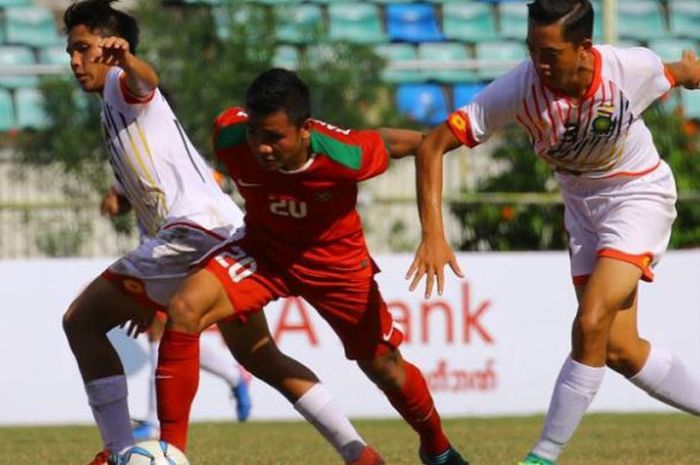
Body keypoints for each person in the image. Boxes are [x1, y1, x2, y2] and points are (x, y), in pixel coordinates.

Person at [64, 3, 381, 465]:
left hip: (193, 231)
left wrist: (127, 60)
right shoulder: (109, 104)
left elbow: (146, 82)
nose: (75, 61)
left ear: (110, 50)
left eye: (83, 49)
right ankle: (361, 454)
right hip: (216, 232)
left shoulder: (120, 83)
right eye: (70, 50)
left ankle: (118, 454)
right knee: (260, 356)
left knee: (82, 321)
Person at [406, 0, 700, 464]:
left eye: (550, 53)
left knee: (590, 321)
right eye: (531, 49)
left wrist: (689, 69)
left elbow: (675, 73)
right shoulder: (518, 89)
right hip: (582, 209)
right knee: (620, 350)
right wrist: (433, 234)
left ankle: (540, 458)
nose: (538, 63)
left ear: (584, 48)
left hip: (637, 194)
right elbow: (432, 147)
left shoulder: (629, 68)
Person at [154, 67, 469, 465]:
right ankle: (168, 455)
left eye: (273, 138)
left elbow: (395, 143)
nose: (261, 147)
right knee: (184, 309)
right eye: (255, 134)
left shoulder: (344, 154)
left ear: (304, 130)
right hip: (264, 254)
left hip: (336, 265)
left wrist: (435, 146)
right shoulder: (230, 137)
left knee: (385, 367)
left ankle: (437, 447)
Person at [101, 185, 253, 440]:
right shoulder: (136, 161)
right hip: (154, 255)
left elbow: (209, 190)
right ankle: (234, 375)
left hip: (180, 254)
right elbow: (119, 203)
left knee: (158, 330)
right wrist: (118, 197)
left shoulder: (174, 163)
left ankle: (153, 421)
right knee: (175, 333)